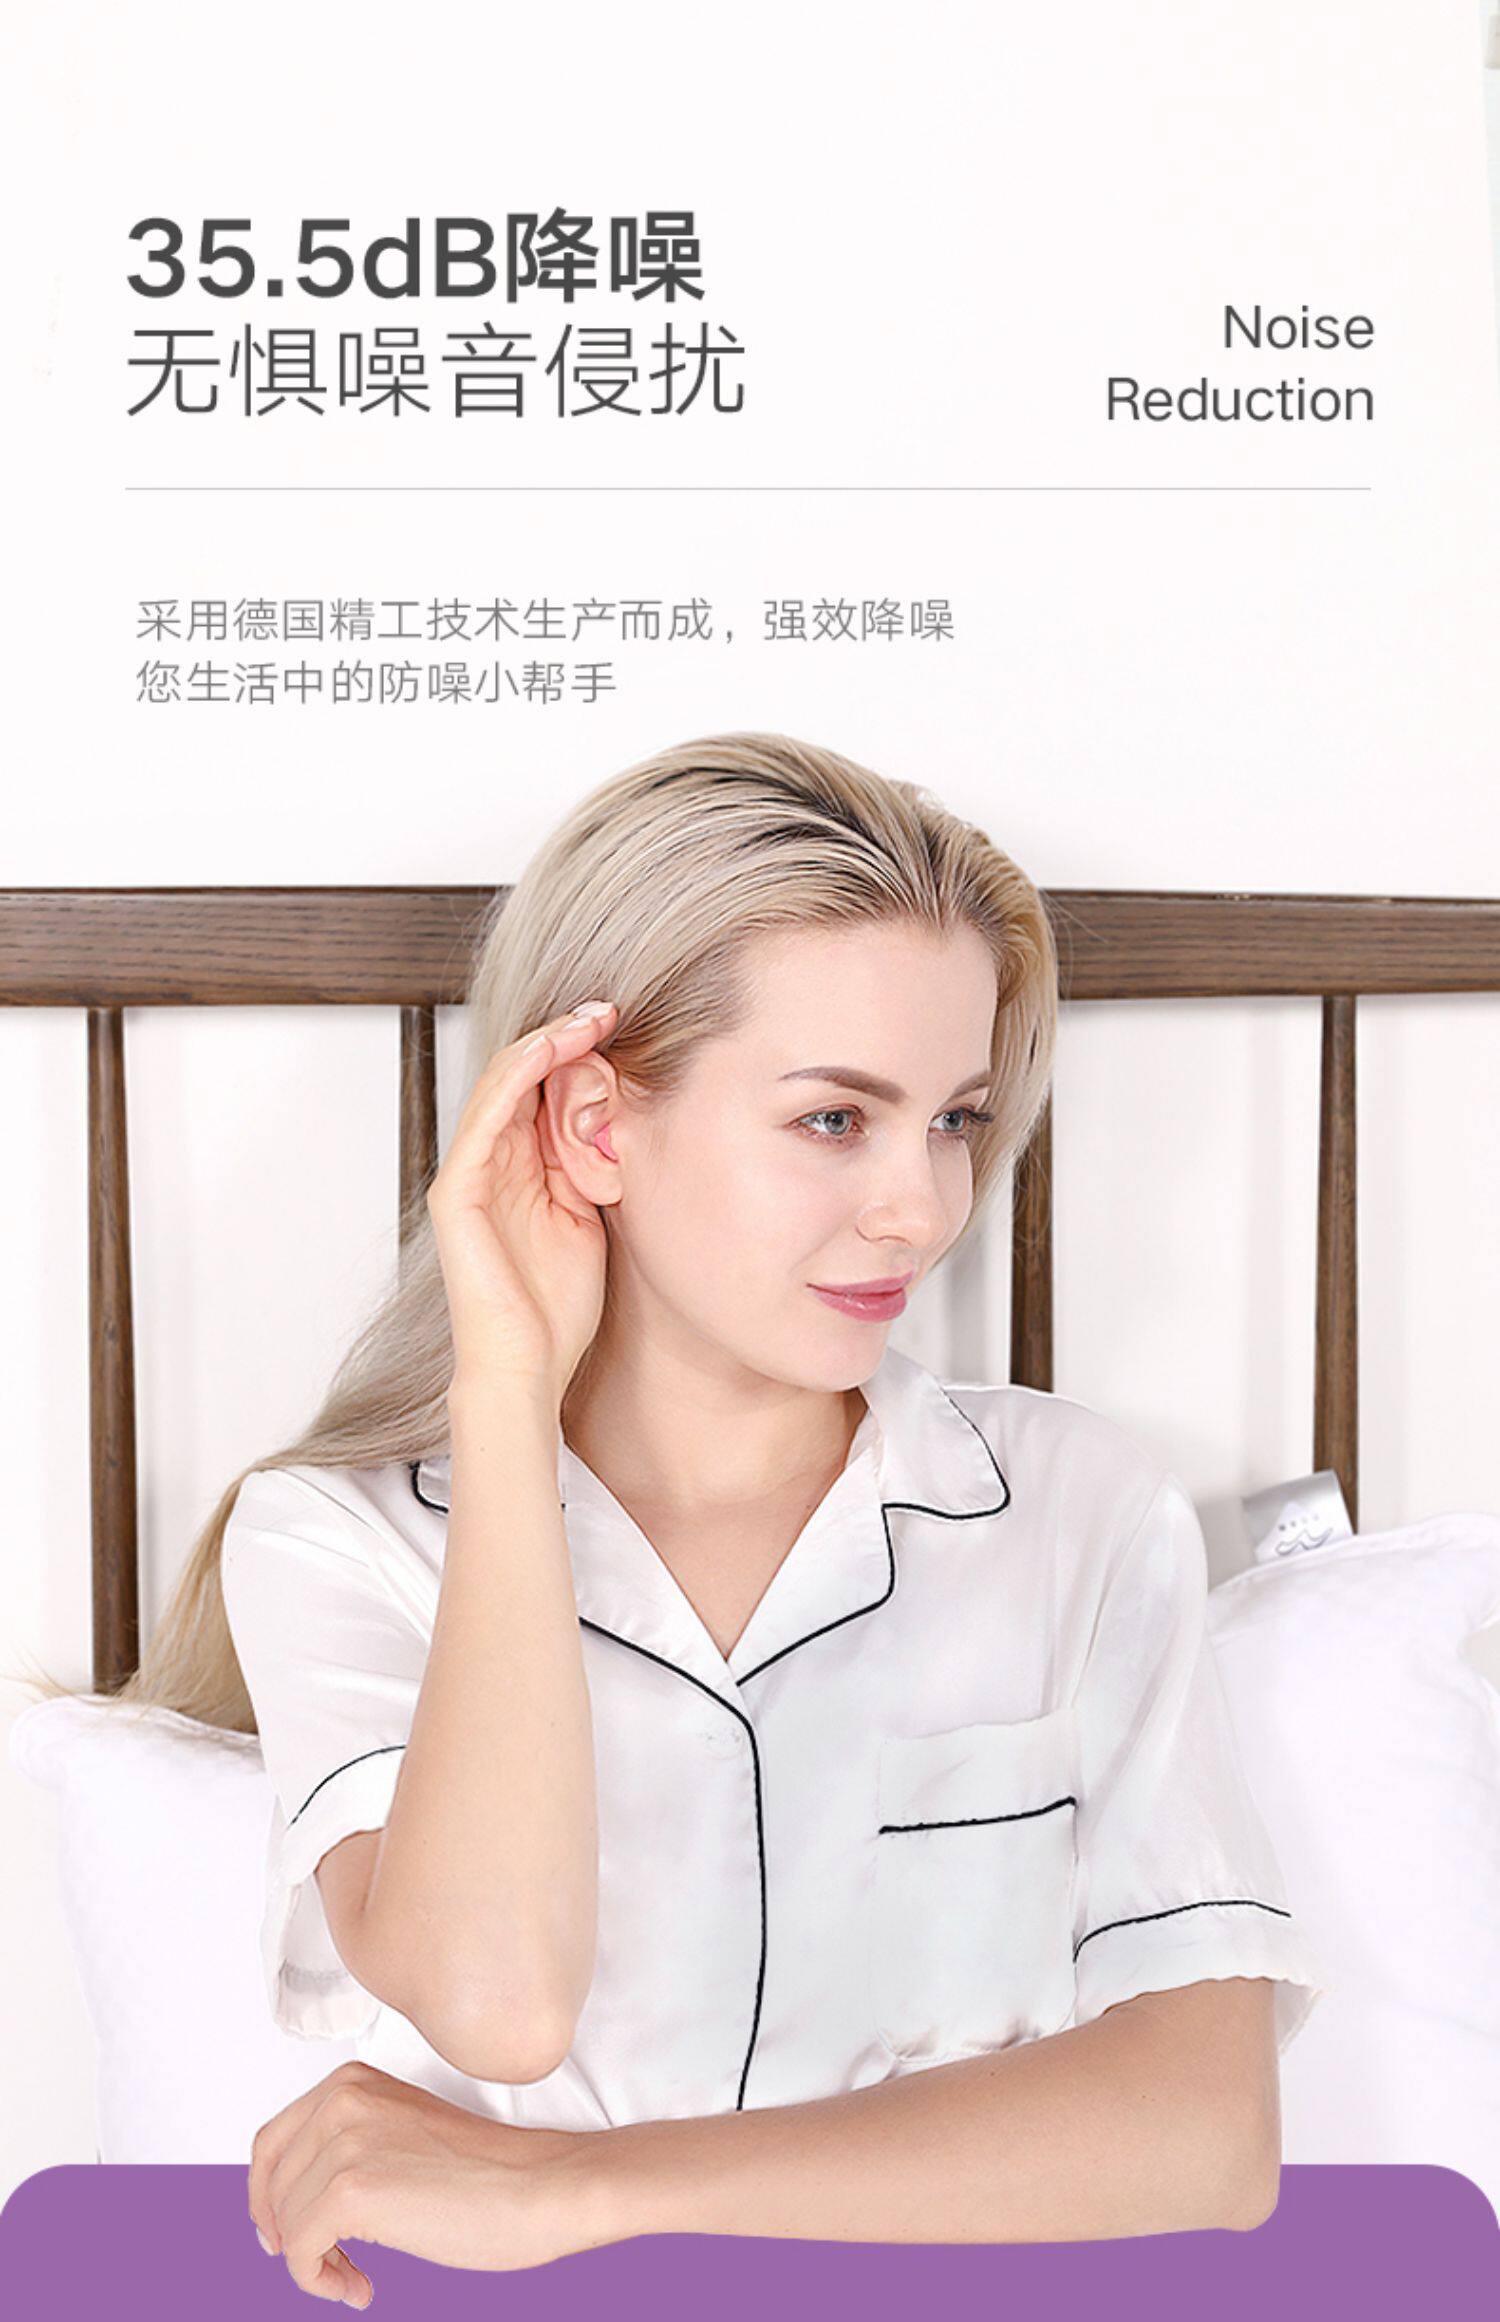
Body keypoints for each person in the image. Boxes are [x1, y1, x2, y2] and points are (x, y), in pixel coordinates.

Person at [134, 735, 1325, 2294]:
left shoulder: (1075, 1511)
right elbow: (498, 2004)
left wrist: (582, 2189)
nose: (923, 1207)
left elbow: (1208, 2132)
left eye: (955, 1119)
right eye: (836, 1119)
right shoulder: (337, 1542)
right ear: (594, 1124)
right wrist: (507, 1386)